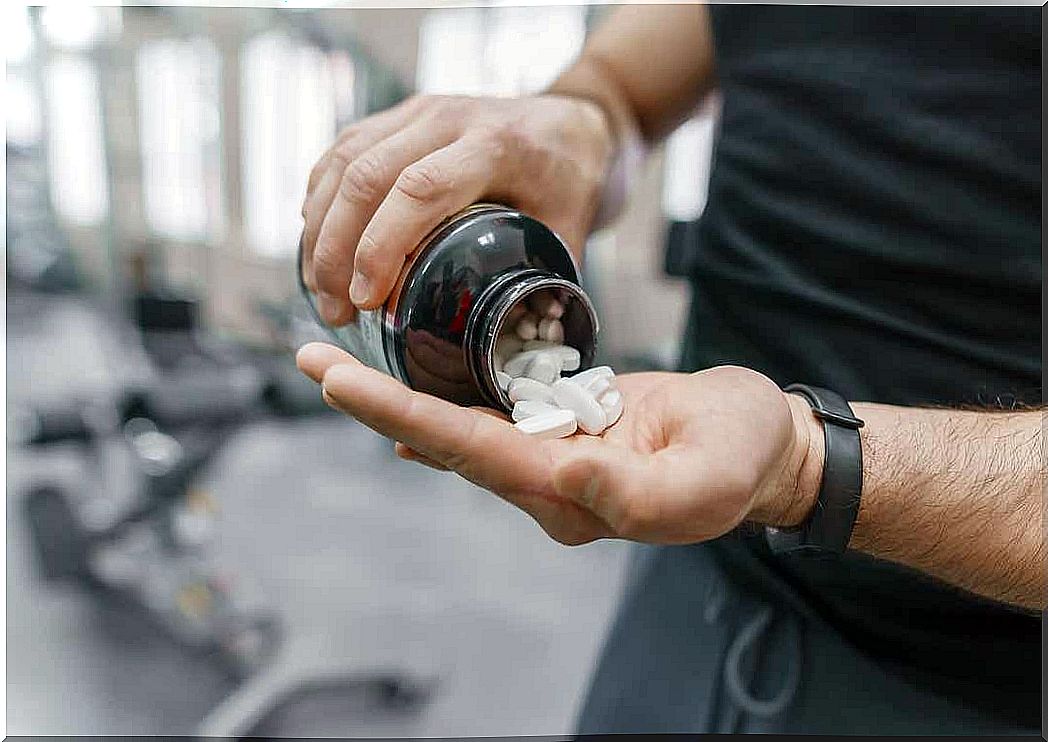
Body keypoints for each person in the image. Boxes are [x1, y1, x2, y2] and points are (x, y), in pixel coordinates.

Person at [295, 4, 1042, 734]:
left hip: (961, 676)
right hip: (693, 575)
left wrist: (808, 459)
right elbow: (621, 84)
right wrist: (581, 125)